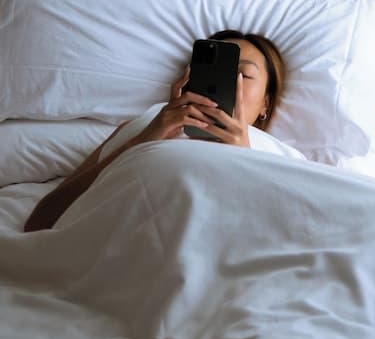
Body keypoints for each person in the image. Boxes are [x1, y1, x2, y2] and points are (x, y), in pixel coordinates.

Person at [24, 30, 285, 233]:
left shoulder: (281, 157)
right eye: (215, 73)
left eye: (243, 75)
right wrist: (143, 140)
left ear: (266, 103)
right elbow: (41, 221)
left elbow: (281, 236)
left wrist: (245, 157)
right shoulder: (141, 126)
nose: (228, 84)